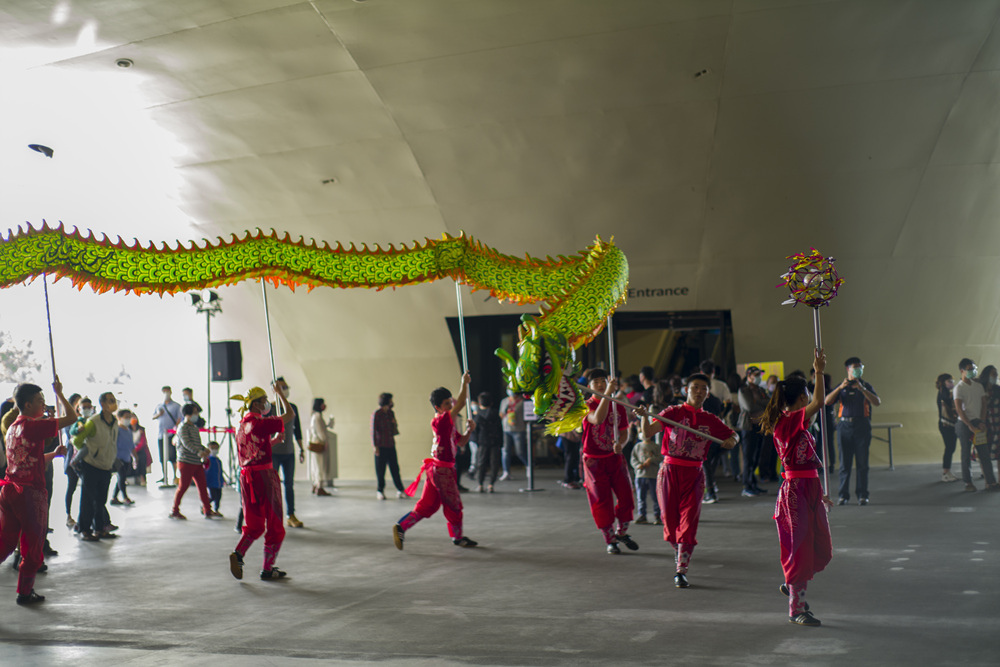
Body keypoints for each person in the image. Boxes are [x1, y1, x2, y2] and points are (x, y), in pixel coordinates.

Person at [640, 373, 737, 588]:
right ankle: (680, 550)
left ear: (708, 392)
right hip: (669, 472)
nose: (699, 391)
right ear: (686, 389)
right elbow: (648, 432)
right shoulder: (672, 413)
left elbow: (733, 435)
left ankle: (681, 568)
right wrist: (644, 416)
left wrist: (731, 440)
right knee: (669, 520)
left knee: (689, 520)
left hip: (694, 475)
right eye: (695, 387)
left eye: (703, 388)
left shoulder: (710, 419)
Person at [758, 348, 833, 627]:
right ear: (801, 397)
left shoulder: (796, 423)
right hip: (795, 490)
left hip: (810, 486)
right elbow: (820, 402)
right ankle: (795, 607)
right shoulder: (787, 422)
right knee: (800, 549)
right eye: (807, 394)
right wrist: (819, 371)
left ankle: (792, 585)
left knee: (819, 545)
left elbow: (816, 405)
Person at [0, 380, 73, 605]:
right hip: (29, 494)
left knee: (5, 542)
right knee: (33, 545)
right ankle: (24, 592)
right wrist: (60, 394)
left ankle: (25, 590)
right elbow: (72, 418)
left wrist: (53, 454)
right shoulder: (33, 425)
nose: (44, 404)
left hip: (10, 490)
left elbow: (26, 460)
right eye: (41, 400)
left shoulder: (14, 427)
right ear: (29, 404)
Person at [393, 373, 478, 551]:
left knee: (427, 506)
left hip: (436, 470)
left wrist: (469, 431)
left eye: (450, 402)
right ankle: (457, 537)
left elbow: (460, 442)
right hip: (442, 472)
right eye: (447, 404)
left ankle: (401, 527)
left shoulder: (447, 424)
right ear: (438, 407)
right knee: (454, 506)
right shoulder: (441, 421)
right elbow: (462, 403)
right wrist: (464, 383)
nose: (451, 405)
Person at [228, 383, 294, 581]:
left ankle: (238, 553)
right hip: (265, 478)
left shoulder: (242, 425)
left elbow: (252, 452)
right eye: (264, 401)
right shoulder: (261, 423)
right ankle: (267, 568)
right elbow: (289, 415)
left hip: (247, 479)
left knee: (254, 524)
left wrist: (273, 441)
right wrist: (280, 394)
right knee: (274, 524)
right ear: (256, 405)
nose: (267, 404)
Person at [579, 368, 636, 555]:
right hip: (594, 462)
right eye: (596, 382)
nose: (601, 385)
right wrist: (607, 395)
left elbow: (625, 430)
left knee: (626, 496)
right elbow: (598, 418)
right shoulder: (585, 406)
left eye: (603, 381)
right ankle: (610, 539)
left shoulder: (618, 405)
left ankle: (622, 532)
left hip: (615, 458)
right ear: (589, 386)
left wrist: (621, 443)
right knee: (601, 501)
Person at [825, 357, 881, 505]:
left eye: (860, 367)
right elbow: (827, 401)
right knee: (844, 464)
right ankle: (843, 495)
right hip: (844, 427)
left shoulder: (865, 385)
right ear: (848, 369)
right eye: (855, 367)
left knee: (862, 463)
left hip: (862, 426)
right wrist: (839, 388)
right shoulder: (842, 387)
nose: (858, 369)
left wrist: (861, 389)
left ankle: (863, 494)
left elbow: (877, 402)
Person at [73, 392, 121, 541]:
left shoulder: (114, 421)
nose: (113, 403)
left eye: (114, 400)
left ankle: (99, 529)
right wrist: (90, 452)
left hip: (106, 466)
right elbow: (77, 440)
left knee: (101, 500)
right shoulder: (94, 421)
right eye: (110, 401)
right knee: (87, 499)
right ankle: (85, 530)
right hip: (91, 465)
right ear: (103, 404)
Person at [953, 359, 998, 492]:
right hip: (964, 423)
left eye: (974, 368)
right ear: (962, 371)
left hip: (978, 422)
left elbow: (984, 404)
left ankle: (991, 482)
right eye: (970, 369)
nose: (973, 371)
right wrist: (969, 425)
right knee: (966, 453)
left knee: (984, 453)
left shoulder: (978, 387)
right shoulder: (959, 388)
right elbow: (959, 409)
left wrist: (982, 421)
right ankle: (968, 482)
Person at [171, 402, 220, 520]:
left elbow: (196, 443)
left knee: (203, 487)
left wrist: (204, 449)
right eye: (195, 412)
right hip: (186, 462)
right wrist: (199, 452)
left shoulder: (193, 427)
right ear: (188, 414)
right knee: (183, 487)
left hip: (196, 462)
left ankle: (207, 510)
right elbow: (186, 443)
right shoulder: (182, 427)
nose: (197, 415)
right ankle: (174, 510)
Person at [270, 377, 305, 528]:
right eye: (281, 388)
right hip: (274, 453)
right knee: (273, 486)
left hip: (289, 452)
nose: (285, 390)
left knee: (289, 485)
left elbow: (297, 429)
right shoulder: (269, 409)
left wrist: (301, 448)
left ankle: (291, 514)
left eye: (286, 387)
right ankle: (273, 516)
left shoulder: (293, 408)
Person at [737, 366, 770, 498]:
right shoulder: (743, 390)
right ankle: (746, 485)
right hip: (748, 427)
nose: (758, 377)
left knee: (757, 456)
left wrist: (759, 402)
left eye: (759, 374)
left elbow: (770, 403)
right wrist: (762, 404)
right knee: (748, 457)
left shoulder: (761, 390)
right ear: (749, 376)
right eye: (756, 374)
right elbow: (749, 406)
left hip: (760, 426)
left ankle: (753, 483)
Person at [64, 395, 92, 528]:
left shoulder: (89, 420)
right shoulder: (71, 421)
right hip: (72, 457)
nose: (85, 408)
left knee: (87, 489)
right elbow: (72, 436)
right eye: (80, 404)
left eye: (88, 407)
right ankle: (68, 515)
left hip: (86, 459)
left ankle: (87, 519)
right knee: (72, 486)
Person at [371, 392, 406, 500]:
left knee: (395, 468)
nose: (392, 403)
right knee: (380, 470)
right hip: (380, 446)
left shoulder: (391, 413)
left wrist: (394, 423)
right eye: (390, 400)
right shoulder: (376, 414)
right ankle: (380, 491)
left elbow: (394, 431)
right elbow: (373, 431)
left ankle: (400, 490)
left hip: (390, 445)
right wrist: (375, 446)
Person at [151, 386, 182, 486]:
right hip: (161, 434)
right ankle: (164, 476)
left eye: (167, 391)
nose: (166, 393)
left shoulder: (176, 406)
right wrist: (159, 414)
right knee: (162, 456)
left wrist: (175, 429)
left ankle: (174, 476)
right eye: (164, 391)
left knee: (173, 456)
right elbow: (153, 416)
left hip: (171, 434)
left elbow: (179, 419)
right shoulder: (159, 406)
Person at [472, 392, 503, 493]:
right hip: (495, 441)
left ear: (480, 403)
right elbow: (500, 429)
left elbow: (475, 431)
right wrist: (501, 442)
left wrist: (476, 442)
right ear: (491, 403)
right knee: (494, 463)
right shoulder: (495, 414)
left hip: (482, 442)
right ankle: (491, 485)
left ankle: (480, 484)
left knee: (481, 463)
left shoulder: (477, 415)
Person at [630, 429, 662, 525]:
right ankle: (642, 514)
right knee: (641, 496)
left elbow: (660, 457)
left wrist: (651, 460)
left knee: (655, 496)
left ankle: (658, 515)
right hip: (640, 475)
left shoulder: (655, 446)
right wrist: (638, 465)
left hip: (653, 475)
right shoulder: (638, 446)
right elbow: (633, 459)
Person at [499, 390, 527, 481]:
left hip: (518, 429)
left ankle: (528, 466)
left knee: (520, 452)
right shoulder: (504, 401)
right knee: (506, 451)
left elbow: (526, 416)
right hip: (506, 429)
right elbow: (501, 414)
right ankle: (506, 472)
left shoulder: (522, 402)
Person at [109, 409, 136, 506]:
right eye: (126, 417)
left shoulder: (128, 430)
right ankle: (125, 497)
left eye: (129, 417)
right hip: (118, 458)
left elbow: (131, 445)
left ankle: (114, 497)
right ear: (119, 418)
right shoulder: (117, 430)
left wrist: (135, 457)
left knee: (121, 478)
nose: (128, 419)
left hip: (126, 458)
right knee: (121, 477)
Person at [936, 374, 959, 483]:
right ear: (943, 382)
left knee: (951, 448)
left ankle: (947, 471)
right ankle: (945, 473)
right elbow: (948, 400)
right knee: (949, 448)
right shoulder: (943, 393)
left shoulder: (947, 393)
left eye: (952, 381)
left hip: (950, 425)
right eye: (949, 381)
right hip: (946, 425)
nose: (952, 383)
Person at [308, 398, 333, 497]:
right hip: (320, 444)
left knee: (316, 466)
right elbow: (320, 431)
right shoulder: (317, 416)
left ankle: (315, 485)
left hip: (316, 442)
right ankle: (320, 487)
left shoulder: (314, 416)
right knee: (321, 466)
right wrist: (325, 441)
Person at [979, 365, 1000, 482]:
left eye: (996, 373)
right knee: (984, 455)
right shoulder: (979, 389)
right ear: (986, 375)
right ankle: (989, 481)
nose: (995, 375)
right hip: (984, 426)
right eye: (993, 373)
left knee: (999, 455)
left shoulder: (998, 389)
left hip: (997, 426)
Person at [205, 441, 224, 513]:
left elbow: (220, 471)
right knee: (212, 496)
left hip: (218, 483)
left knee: (218, 497)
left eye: (216, 448)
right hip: (211, 483)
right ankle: (205, 505)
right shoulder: (207, 460)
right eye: (212, 448)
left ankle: (216, 510)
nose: (214, 450)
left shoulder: (218, 460)